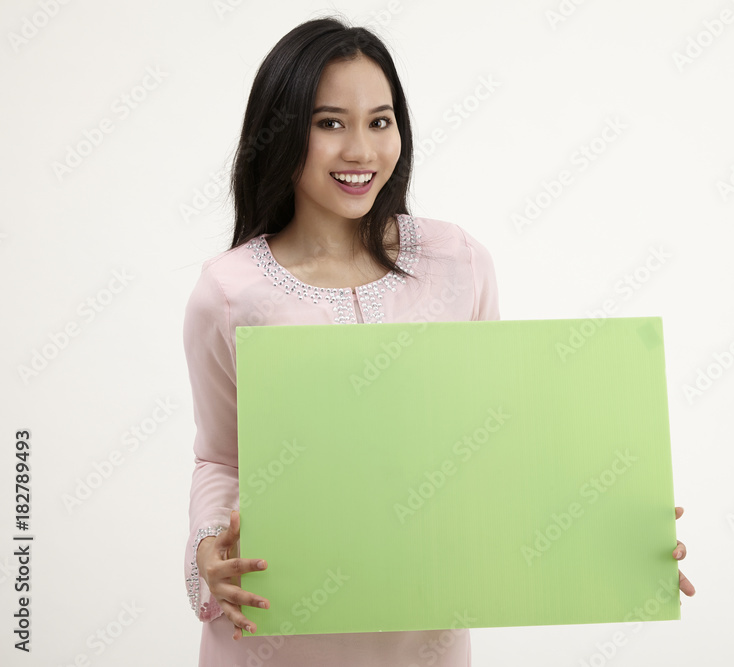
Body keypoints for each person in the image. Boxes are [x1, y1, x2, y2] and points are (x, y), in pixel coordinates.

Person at [182, 16, 694, 666]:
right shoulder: (228, 292)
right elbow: (221, 459)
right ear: (281, 131)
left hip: (425, 639)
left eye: (381, 119)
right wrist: (208, 548)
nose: (362, 150)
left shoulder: (458, 261)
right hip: (277, 632)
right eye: (330, 122)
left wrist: (619, 533)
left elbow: (503, 447)